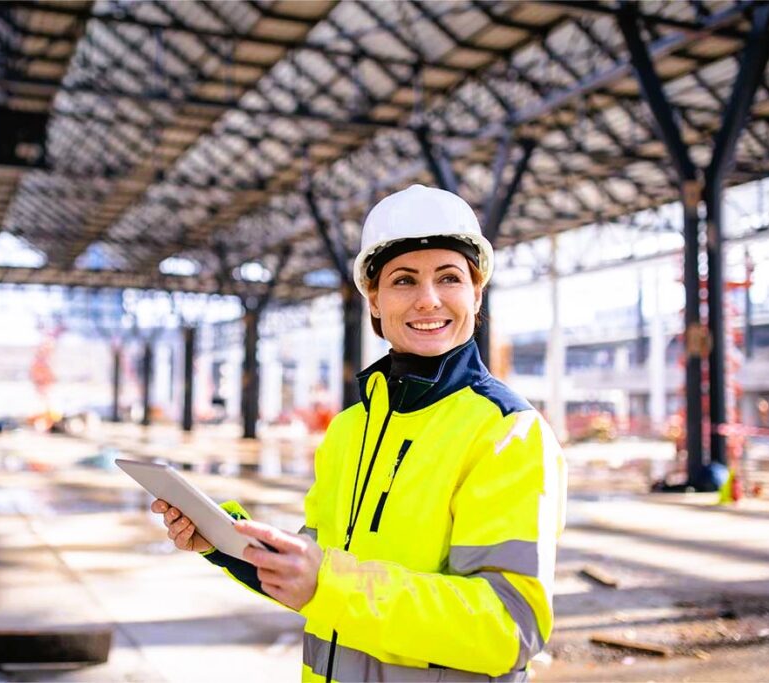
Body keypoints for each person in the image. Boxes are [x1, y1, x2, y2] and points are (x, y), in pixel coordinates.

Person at [152, 184, 567, 682]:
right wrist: (225, 542)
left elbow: (508, 627)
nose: (428, 300)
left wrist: (327, 583)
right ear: (374, 299)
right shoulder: (350, 430)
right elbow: (313, 566)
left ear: (476, 294)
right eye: (404, 281)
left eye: (450, 278)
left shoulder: (507, 433)